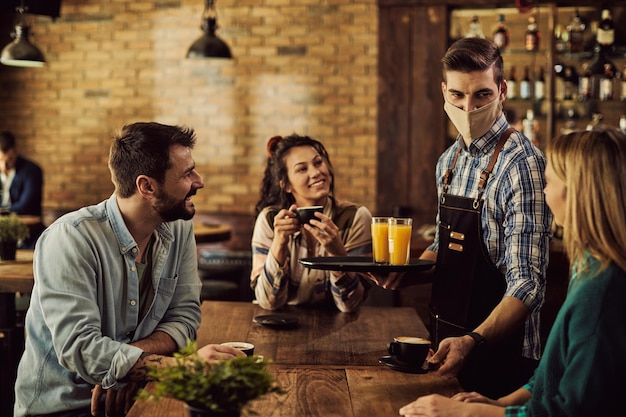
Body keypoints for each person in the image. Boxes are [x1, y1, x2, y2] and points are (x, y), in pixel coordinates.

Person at [14, 122, 244, 417]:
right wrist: (184, 368)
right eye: (187, 174)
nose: (199, 181)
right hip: (65, 407)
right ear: (147, 186)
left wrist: (126, 369)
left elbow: (185, 316)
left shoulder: (179, 226)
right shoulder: (70, 238)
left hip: (142, 393)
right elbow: (80, 348)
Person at [399, 126, 626, 417]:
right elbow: (554, 370)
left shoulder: (602, 293)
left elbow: (573, 411)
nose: (543, 191)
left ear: (578, 192)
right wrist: (502, 404)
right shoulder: (588, 267)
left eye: (549, 182)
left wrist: (467, 414)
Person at [370, 38, 552, 398]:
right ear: (443, 91)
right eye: (457, 96)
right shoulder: (449, 161)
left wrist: (473, 340)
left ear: (501, 90)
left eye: (481, 95)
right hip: (446, 342)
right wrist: (404, 274)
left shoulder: (522, 164)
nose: (468, 107)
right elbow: (447, 251)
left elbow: (528, 283)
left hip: (500, 354)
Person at [251, 134, 372, 312]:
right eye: (302, 169)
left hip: (340, 327)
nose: (316, 173)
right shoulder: (271, 220)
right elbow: (268, 302)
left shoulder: (356, 218)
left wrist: (338, 255)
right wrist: (279, 243)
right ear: (286, 185)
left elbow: (350, 305)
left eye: (318, 162)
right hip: (280, 324)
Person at [0, 131, 45, 248]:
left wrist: (2, 211)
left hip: (29, 234)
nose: (4, 166)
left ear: (16, 151)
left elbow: (26, 205)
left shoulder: (32, 171)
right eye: (0, 160)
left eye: (8, 159)